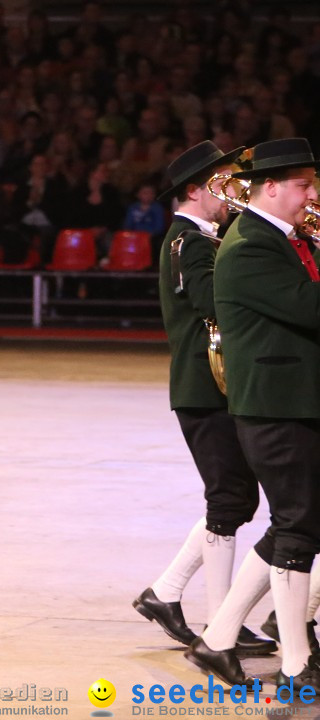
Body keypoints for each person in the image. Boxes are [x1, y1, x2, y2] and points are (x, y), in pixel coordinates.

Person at [187, 138, 320, 690]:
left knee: (300, 523)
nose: (312, 195)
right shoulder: (250, 246)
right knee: (297, 530)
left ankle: (217, 639)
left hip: (291, 402)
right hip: (274, 407)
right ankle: (296, 666)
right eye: (303, 185)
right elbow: (311, 307)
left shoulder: (278, 237)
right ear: (270, 187)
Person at [134, 141, 275, 657]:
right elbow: (213, 302)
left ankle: (167, 594)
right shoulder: (189, 241)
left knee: (235, 498)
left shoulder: (199, 238)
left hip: (213, 386)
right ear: (194, 190)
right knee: (230, 500)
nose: (231, 190)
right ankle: (222, 624)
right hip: (204, 386)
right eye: (220, 181)